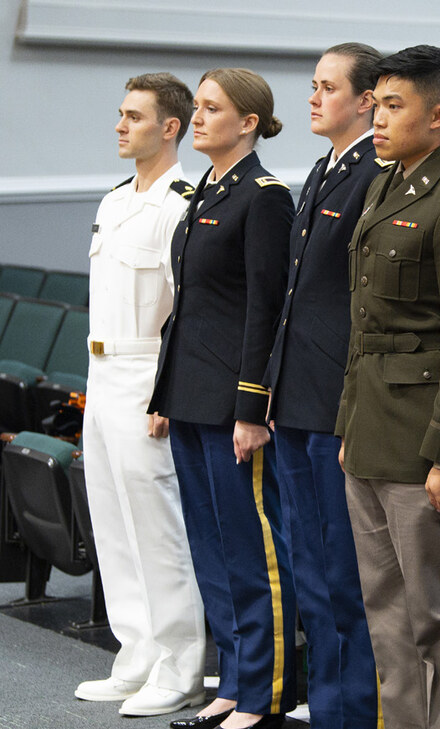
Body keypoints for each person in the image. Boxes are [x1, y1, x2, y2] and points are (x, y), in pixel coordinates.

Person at [333, 45, 440, 728]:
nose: (378, 118)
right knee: (384, 610)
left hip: (421, 432)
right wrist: (347, 424)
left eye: (394, 106)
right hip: (371, 426)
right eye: (377, 103)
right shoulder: (385, 182)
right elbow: (364, 319)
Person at [148, 68, 295, 729]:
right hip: (191, 394)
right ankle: (233, 679)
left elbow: (264, 307)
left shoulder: (263, 196)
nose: (198, 117)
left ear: (249, 123)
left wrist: (250, 406)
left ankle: (264, 690)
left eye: (213, 108)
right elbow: (188, 308)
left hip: (230, 402)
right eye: (198, 107)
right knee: (210, 546)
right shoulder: (206, 188)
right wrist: (163, 393)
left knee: (249, 547)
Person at [76, 72, 206, 718]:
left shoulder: (182, 204)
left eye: (134, 116)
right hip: (102, 373)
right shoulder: (115, 201)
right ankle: (137, 651)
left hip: (145, 374)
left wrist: (166, 393)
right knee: (113, 521)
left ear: (170, 127)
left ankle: (181, 662)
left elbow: (187, 312)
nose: (121, 126)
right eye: (121, 114)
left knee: (158, 527)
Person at [261, 43, 383, 729]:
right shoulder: (324, 167)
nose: (311, 97)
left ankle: (356, 708)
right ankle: (329, 699)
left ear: (365, 100)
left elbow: (361, 306)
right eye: (312, 85)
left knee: (346, 573)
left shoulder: (374, 174)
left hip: (337, 398)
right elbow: (297, 295)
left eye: (327, 86)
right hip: (298, 395)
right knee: (309, 566)